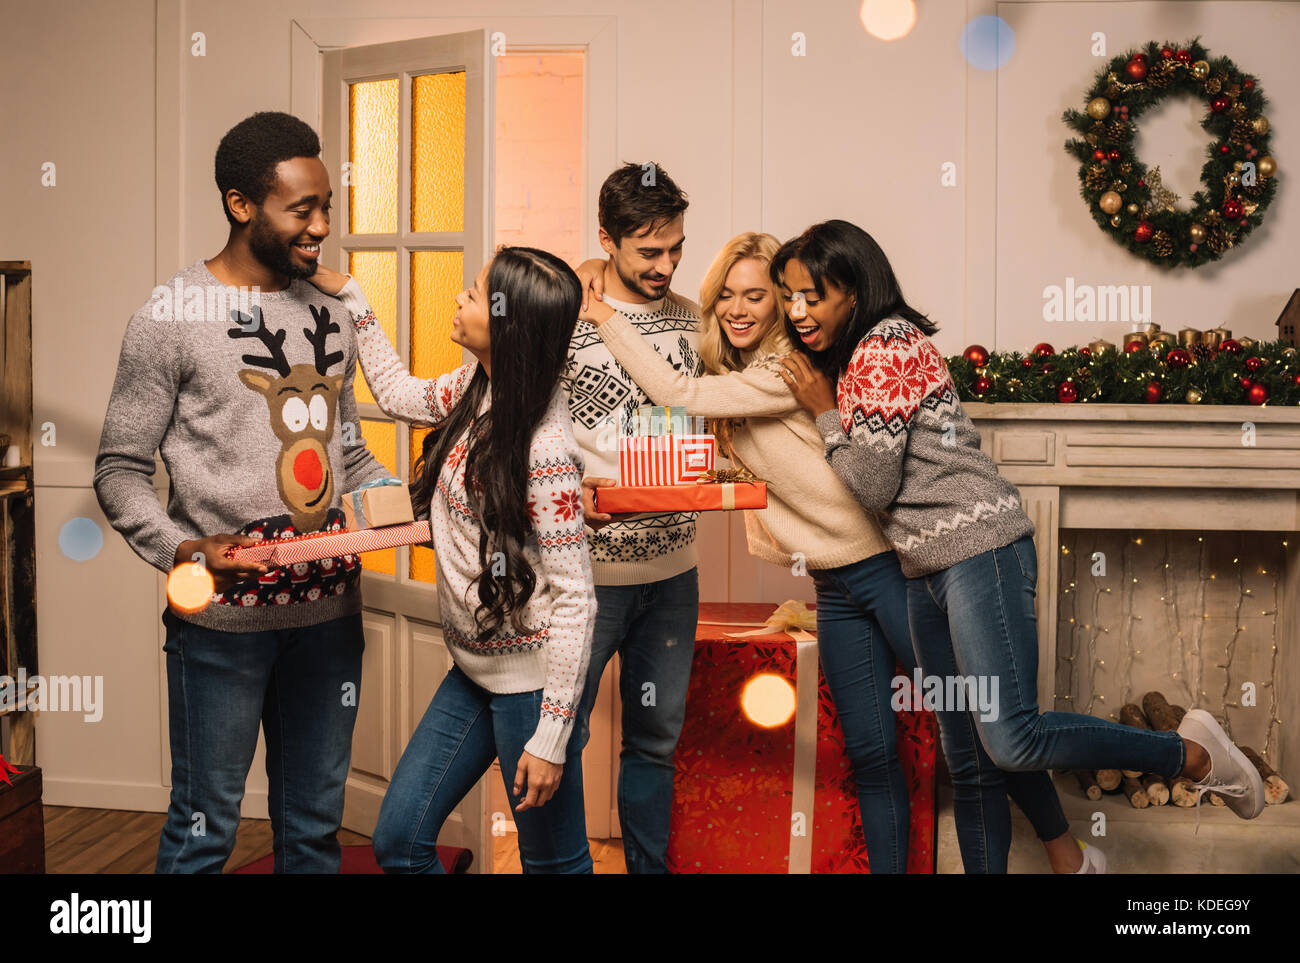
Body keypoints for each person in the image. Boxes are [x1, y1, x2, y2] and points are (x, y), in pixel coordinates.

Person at [579, 231, 1108, 874]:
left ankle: (1062, 849)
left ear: (780, 306)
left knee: (977, 737)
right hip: (833, 587)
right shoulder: (740, 384)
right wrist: (619, 480)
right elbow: (723, 465)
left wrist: (601, 304)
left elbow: (677, 390)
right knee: (873, 754)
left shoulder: (788, 370)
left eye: (758, 296)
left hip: (889, 572)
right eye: (726, 297)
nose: (740, 309)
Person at [774, 218, 1265, 872]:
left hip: (979, 551)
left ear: (856, 292)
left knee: (1010, 738)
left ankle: (1192, 754)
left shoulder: (885, 346)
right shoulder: (860, 355)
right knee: (972, 759)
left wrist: (822, 412)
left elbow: (874, 483)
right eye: (788, 294)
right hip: (925, 569)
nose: (797, 310)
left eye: (814, 294)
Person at [94, 111, 395, 873]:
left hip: (330, 620)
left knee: (313, 837)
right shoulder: (169, 318)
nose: (322, 226)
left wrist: (410, 504)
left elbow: (345, 451)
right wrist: (182, 548)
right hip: (218, 629)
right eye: (303, 209)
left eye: (327, 205)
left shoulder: (332, 311)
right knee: (203, 839)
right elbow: (119, 470)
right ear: (240, 205)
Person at [306, 249, 597, 874]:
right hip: (472, 671)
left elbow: (577, 599)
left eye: (474, 292)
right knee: (400, 842)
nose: (460, 299)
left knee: (556, 865)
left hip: (530, 687)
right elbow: (400, 392)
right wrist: (354, 297)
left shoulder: (544, 451)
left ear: (508, 324)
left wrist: (550, 738)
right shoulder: (478, 388)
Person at [568, 162, 704, 874]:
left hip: (674, 573)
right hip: (588, 577)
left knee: (655, 741)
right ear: (607, 240)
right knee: (559, 731)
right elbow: (530, 426)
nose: (667, 264)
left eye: (676, 247)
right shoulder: (566, 312)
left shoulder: (693, 318)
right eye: (649, 250)